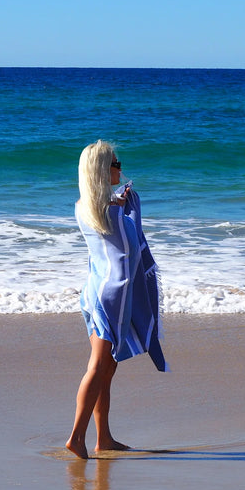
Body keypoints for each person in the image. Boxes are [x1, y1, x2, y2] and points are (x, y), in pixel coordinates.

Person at [66, 140, 167, 460]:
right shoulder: (112, 212)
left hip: (96, 289)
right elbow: (130, 250)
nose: (120, 167)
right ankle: (76, 437)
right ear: (101, 169)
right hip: (112, 296)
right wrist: (131, 211)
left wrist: (121, 206)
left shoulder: (86, 205)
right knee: (98, 367)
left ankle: (103, 437)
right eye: (115, 162)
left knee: (106, 369)